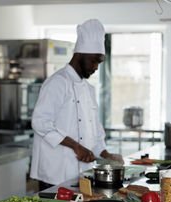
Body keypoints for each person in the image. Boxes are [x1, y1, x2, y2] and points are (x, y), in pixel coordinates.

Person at [30, 19, 123, 190]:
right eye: (93, 61)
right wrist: (76, 146)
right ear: (79, 54)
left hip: (82, 174)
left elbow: (94, 129)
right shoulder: (57, 82)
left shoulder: (88, 89)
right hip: (55, 173)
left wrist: (105, 154)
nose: (96, 67)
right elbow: (40, 122)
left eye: (99, 63)